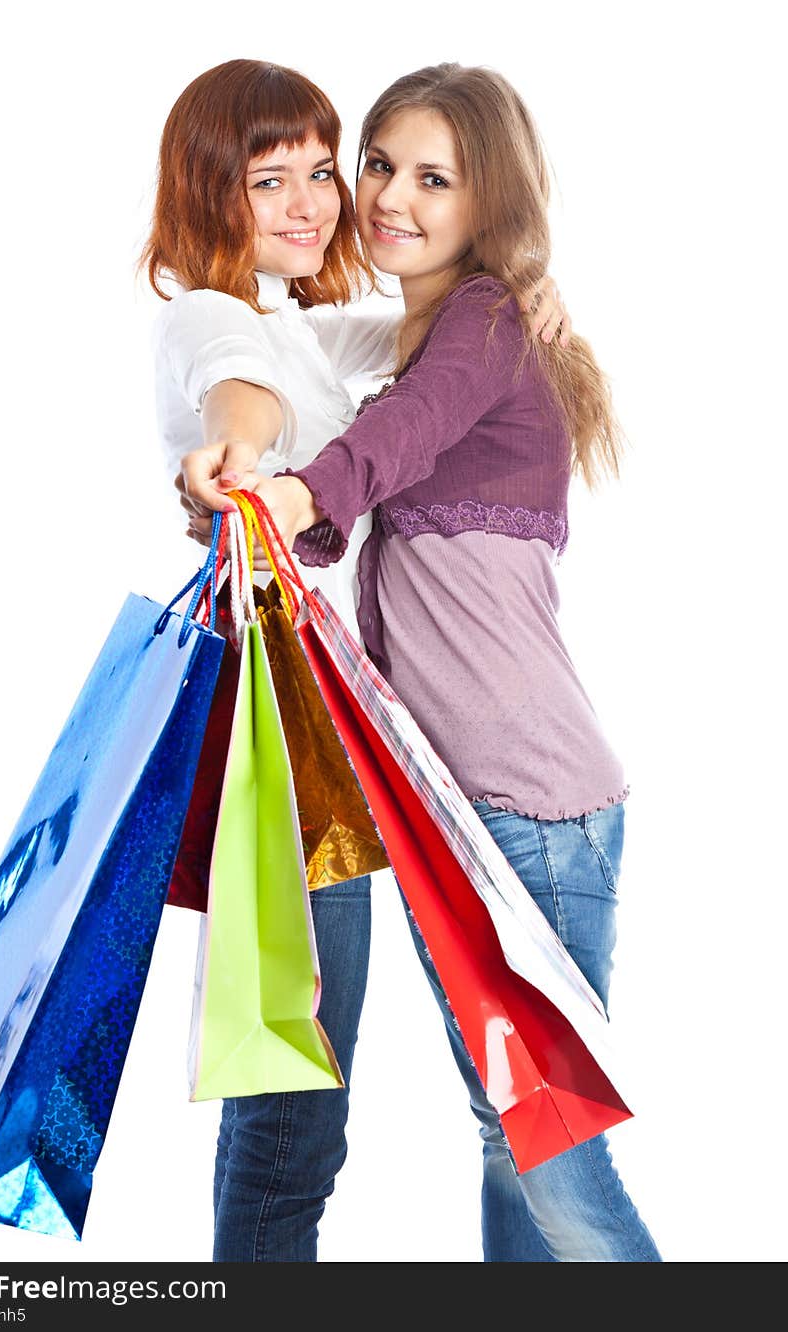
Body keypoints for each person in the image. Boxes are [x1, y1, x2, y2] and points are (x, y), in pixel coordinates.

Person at [195, 63, 663, 1262]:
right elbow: (351, 473)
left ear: (487, 202)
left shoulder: (485, 326)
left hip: (532, 804)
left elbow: (384, 446)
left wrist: (303, 486)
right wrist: (250, 501)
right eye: (381, 165)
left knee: (537, 1142)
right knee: (513, 1144)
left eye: (434, 178)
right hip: (451, 803)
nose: (391, 196)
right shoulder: (427, 339)